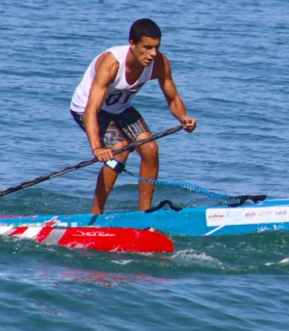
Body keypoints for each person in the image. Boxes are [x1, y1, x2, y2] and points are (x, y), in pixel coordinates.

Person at [70, 18, 197, 214]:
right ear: (132, 44)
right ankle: (96, 213)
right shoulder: (111, 64)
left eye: (156, 47)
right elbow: (91, 111)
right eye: (147, 47)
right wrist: (97, 147)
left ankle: (143, 214)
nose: (153, 53)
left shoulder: (159, 63)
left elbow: (173, 99)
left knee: (150, 148)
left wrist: (183, 118)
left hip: (121, 107)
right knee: (119, 149)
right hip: (86, 109)